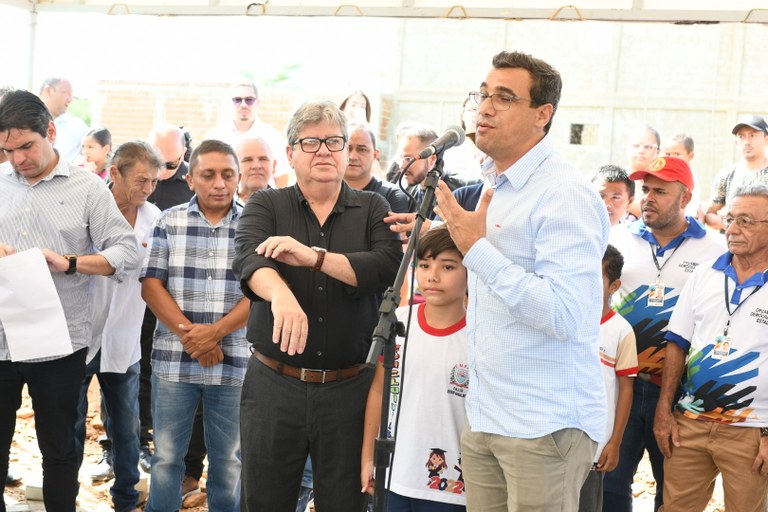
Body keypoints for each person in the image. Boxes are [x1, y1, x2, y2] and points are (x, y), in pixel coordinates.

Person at [421, 50, 610, 511]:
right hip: (487, 415)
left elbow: (566, 314)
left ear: (542, 114)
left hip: (543, 425)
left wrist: (476, 250)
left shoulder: (564, 193)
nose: (485, 108)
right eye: (483, 94)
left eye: (504, 98)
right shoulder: (496, 185)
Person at [232, 100, 402, 511]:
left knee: (345, 504)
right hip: (274, 385)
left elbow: (384, 267)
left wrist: (314, 258)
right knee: (264, 502)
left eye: (334, 142)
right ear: (290, 153)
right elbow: (249, 260)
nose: (324, 151)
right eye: (311, 142)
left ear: (346, 151)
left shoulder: (373, 208)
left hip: (350, 389)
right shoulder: (266, 204)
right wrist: (280, 294)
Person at [0, 90, 137, 512]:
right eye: (7, 150)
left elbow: (127, 252)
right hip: (1, 339)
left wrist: (70, 262)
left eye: (27, 146)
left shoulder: (88, 189)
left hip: (59, 343)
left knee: (60, 450)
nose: (18, 159)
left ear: (51, 131)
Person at [604, 156, 724, 512]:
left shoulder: (715, 252)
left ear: (685, 198)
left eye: (660, 191)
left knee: (673, 491)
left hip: (678, 393)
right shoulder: (617, 239)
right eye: (645, 190)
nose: (648, 198)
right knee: (610, 484)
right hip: (620, 384)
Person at [140, 139, 248, 511]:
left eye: (228, 175)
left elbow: (259, 292)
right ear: (190, 179)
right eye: (208, 175)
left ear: (238, 177)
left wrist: (214, 334)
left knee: (229, 461)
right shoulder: (169, 221)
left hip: (233, 362)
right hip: (174, 360)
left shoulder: (252, 225)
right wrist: (194, 338)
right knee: (167, 457)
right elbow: (151, 286)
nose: (219, 183)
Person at [654, 184, 768, 511]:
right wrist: (665, 410)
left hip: (752, 430)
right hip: (690, 422)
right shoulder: (705, 274)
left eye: (745, 221)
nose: (731, 229)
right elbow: (677, 343)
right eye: (730, 219)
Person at [74, 141, 162, 512]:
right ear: (115, 173)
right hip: (79, 335)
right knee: (71, 424)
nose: (148, 188)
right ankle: (65, 494)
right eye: (141, 180)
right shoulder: (87, 206)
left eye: (154, 181)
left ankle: (125, 498)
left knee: (127, 427)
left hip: (125, 337)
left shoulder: (154, 218)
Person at [361, 225, 468, 511]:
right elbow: (379, 391)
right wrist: (368, 458)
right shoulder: (398, 320)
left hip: (452, 488)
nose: (433, 276)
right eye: (424, 265)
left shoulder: (479, 334)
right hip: (395, 475)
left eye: (448, 266)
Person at [144, 124, 206, 495]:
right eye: (157, 164)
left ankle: (192, 470)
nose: (162, 174)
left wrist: (202, 334)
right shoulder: (143, 187)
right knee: (138, 377)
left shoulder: (196, 190)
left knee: (196, 395)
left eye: (171, 165)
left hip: (203, 322)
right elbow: (150, 283)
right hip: (153, 314)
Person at [578, 244, 637, 512]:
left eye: (596, 277)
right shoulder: (564, 319)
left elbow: (626, 389)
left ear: (614, 286)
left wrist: (614, 442)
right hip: (554, 438)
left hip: (594, 443)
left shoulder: (621, 331)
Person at [205, 81, 290, 187]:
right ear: (230, 103)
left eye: (249, 100)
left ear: (258, 102)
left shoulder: (274, 137)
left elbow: (281, 178)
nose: (243, 105)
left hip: (265, 197)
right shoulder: (214, 137)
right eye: (237, 100)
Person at [705, 114, 768, 231]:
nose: (747, 142)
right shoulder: (727, 175)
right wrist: (733, 224)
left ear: (766, 139)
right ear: (736, 142)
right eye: (741, 136)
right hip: (734, 240)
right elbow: (710, 214)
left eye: (753, 135)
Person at [344, 122, 410, 213]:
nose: (353, 157)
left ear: (375, 155)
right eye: (348, 149)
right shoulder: (326, 191)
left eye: (362, 149)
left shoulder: (392, 196)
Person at [38, 77, 89, 163]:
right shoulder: (23, 121)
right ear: (48, 91)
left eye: (71, 94)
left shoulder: (78, 127)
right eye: (65, 92)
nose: (70, 99)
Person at [662, 132, 704, 222]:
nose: (671, 158)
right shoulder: (664, 175)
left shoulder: (690, 177)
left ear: (691, 155)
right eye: (668, 154)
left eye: (677, 154)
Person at [626, 125, 661, 220]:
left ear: (658, 151)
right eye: (636, 146)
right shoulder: (615, 179)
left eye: (647, 147)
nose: (641, 151)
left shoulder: (664, 183)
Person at [235, 135, 276, 207]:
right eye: (248, 160)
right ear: (235, 167)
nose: (256, 166)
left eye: (263, 159)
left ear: (274, 165)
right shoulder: (223, 205)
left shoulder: (286, 205)